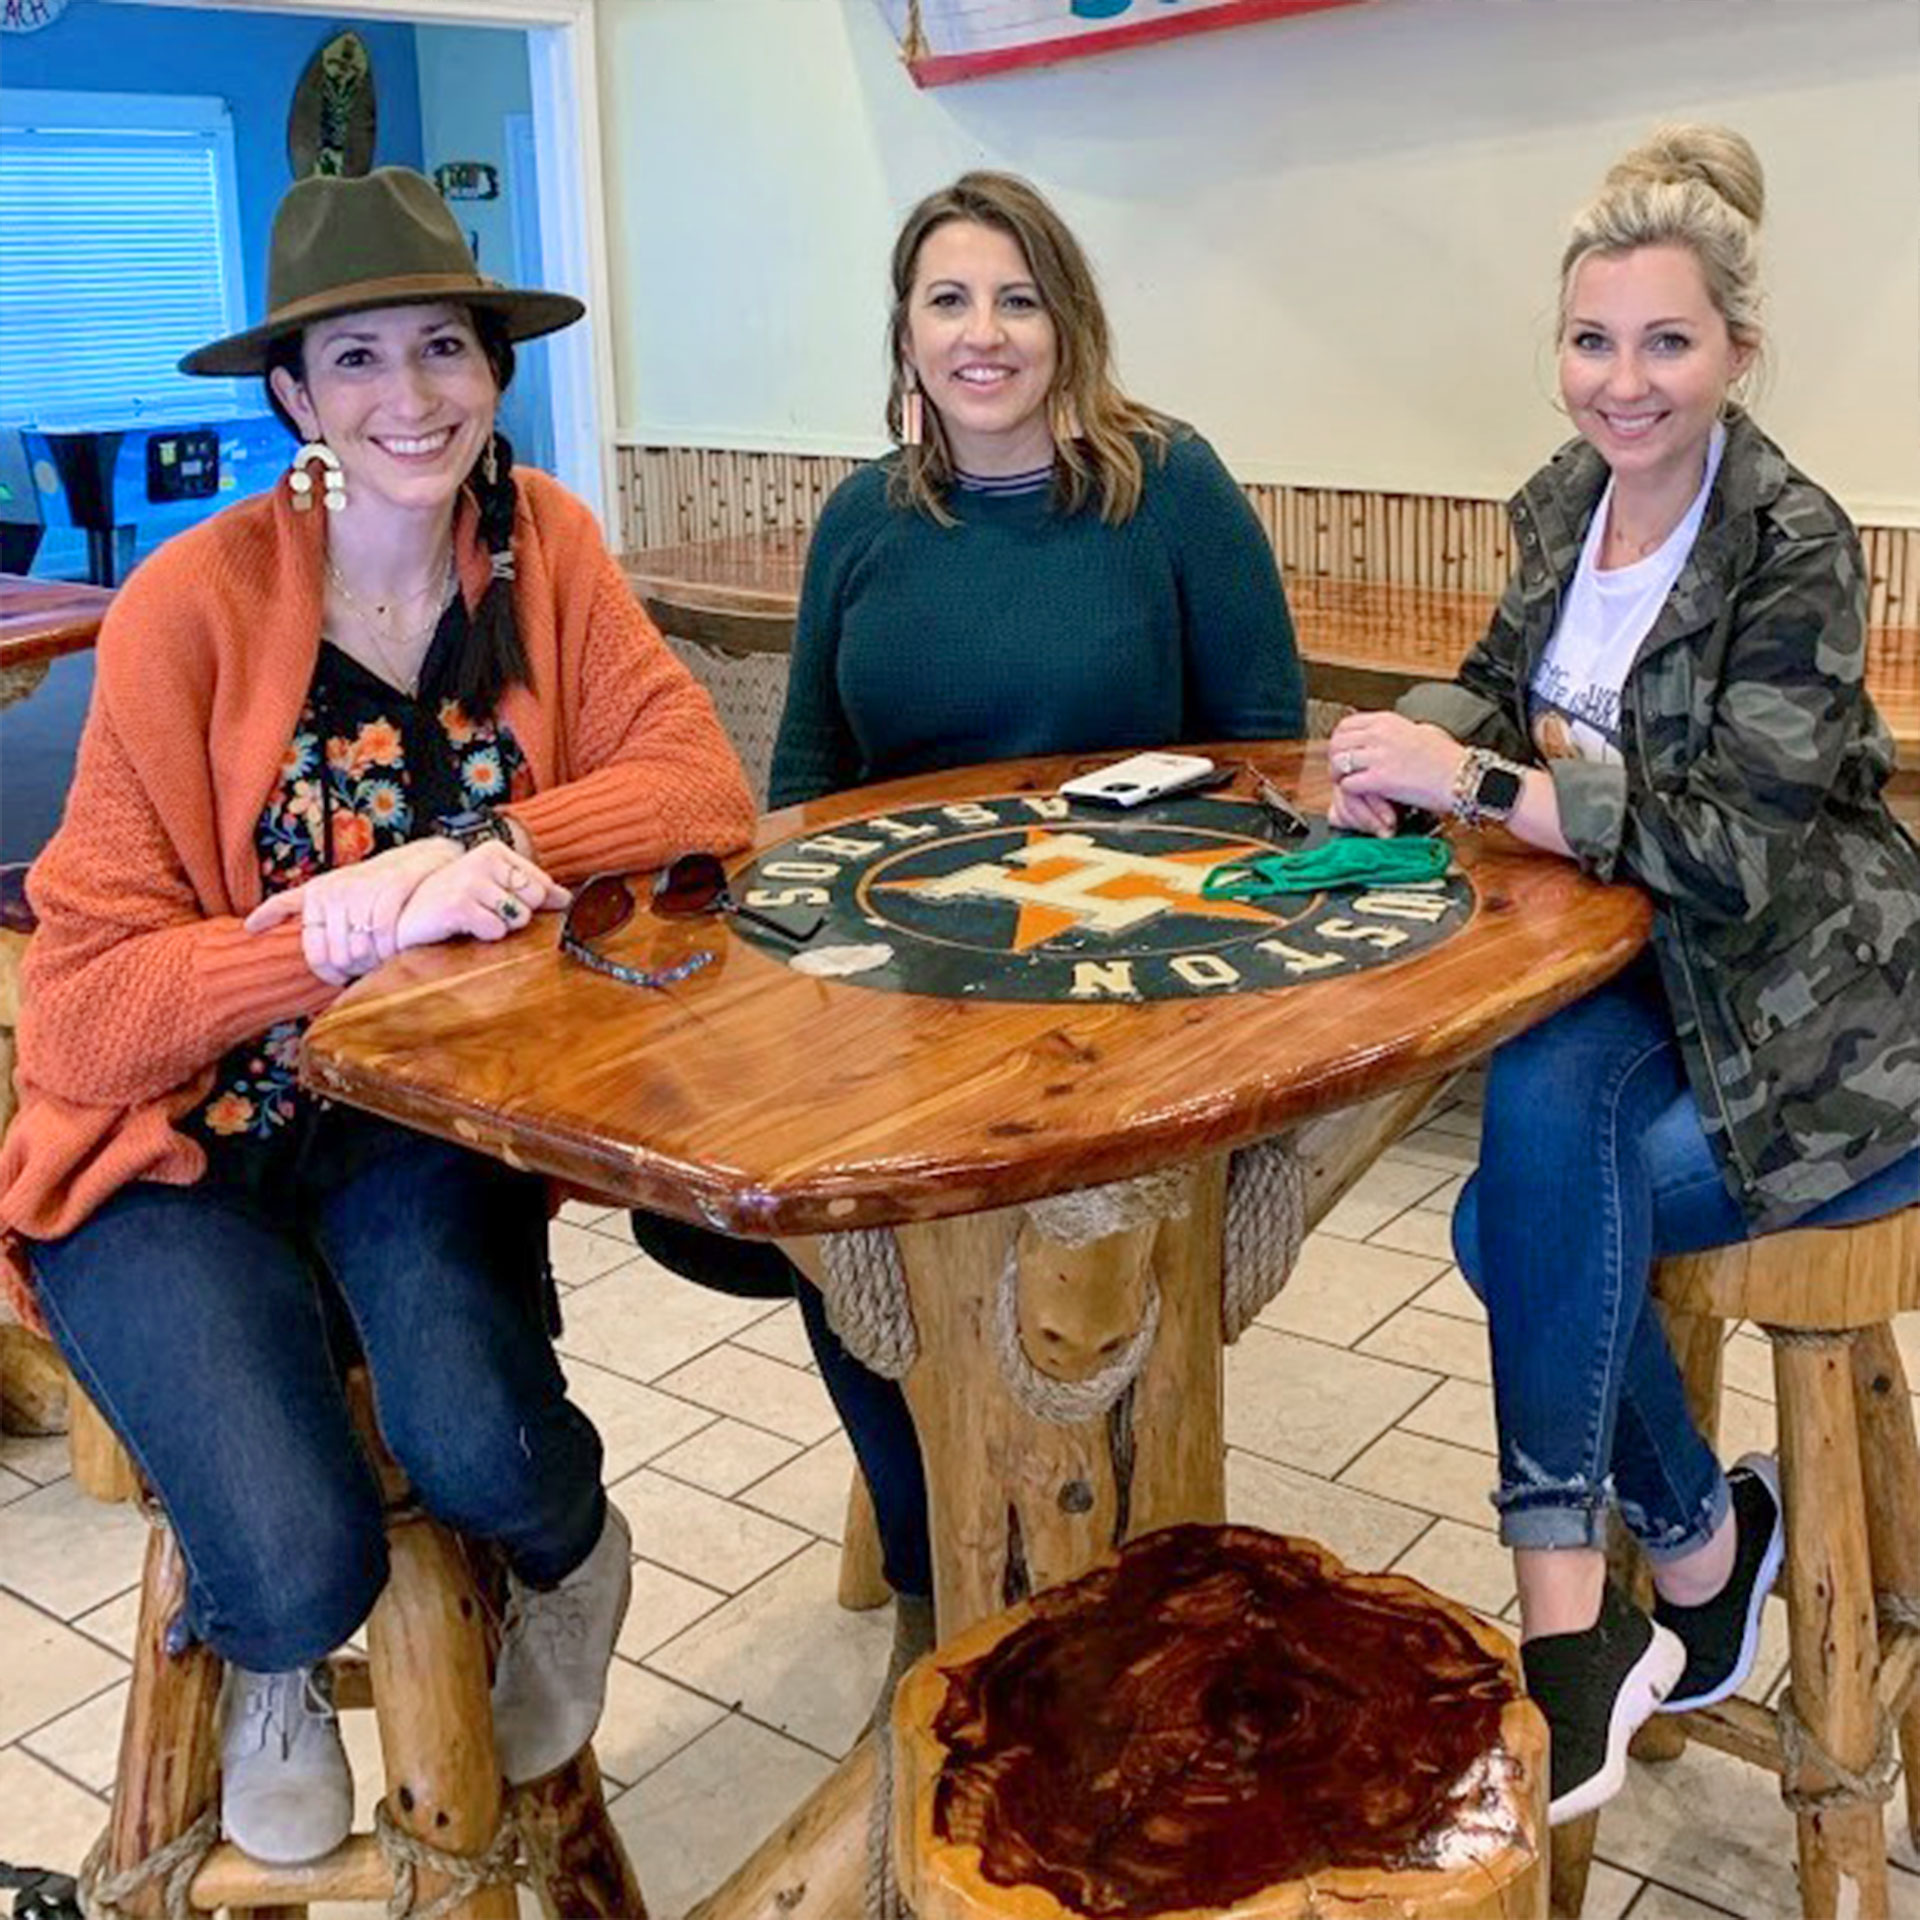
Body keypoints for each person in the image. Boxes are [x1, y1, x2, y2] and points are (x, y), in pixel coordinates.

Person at [0, 168, 755, 1863]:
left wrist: (463, 851)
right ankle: (267, 1658)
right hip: (177, 1145)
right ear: (293, 396)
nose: (406, 397)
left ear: (491, 369)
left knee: (489, 1462)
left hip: (426, 1124)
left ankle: (582, 1560)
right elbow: (80, 1023)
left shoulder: (545, 543)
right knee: (293, 1561)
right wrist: (331, 940)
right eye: (354, 360)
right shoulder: (191, 606)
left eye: (440, 348)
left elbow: (701, 790)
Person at [633, 169, 1304, 1690]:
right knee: (805, 1217)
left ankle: (1086, 1560)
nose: (983, 334)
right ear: (907, 330)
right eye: (949, 299)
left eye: (1016, 298)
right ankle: (945, 1557)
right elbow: (805, 778)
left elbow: (1273, 759)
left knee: (1012, 1244)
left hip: (1125, 989)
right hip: (897, 989)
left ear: (1069, 320)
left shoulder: (1169, 486)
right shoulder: (866, 517)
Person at [1323, 126, 1920, 1824]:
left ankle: (1667, 1577)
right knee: (1532, 1127)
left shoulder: (1791, 542)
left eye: (1667, 342)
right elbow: (1496, 684)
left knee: (1504, 1216)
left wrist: (1485, 791)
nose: (1624, 380)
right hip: (1648, 985)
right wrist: (1403, 742)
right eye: (1594, 340)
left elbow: (1732, 845)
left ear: (1737, 350)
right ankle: (1635, 1592)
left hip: (1822, 1027)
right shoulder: (1560, 505)